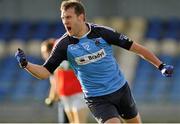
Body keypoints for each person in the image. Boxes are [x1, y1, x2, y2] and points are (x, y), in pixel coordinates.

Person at [15, 0, 174, 123]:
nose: (65, 21)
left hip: (120, 90)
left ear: (81, 16)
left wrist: (160, 65)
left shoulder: (102, 33)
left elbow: (137, 49)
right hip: (97, 99)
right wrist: (26, 65)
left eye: (68, 17)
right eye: (63, 18)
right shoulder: (64, 45)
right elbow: (45, 72)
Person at [41, 38, 89, 123]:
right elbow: (55, 82)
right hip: (65, 94)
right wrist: (52, 97)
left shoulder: (67, 55)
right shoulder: (52, 64)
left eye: (45, 52)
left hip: (78, 92)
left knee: (79, 122)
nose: (44, 55)